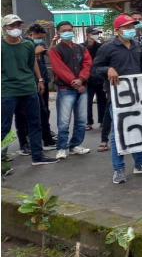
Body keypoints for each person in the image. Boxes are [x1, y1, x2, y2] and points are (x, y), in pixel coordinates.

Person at [91, 14, 142, 184]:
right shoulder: (108, 47)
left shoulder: (136, 46)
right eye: (127, 27)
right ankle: (118, 169)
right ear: (117, 31)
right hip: (118, 98)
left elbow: (140, 66)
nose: (131, 30)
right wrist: (107, 69)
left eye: (132, 27)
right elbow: (94, 69)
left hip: (137, 96)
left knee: (138, 130)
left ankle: (140, 163)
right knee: (118, 134)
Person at [1, 14, 58, 168]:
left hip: (28, 88)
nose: (16, 29)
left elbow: (32, 62)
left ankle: (37, 156)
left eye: (18, 25)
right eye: (12, 26)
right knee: (4, 127)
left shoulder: (27, 44)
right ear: (4, 28)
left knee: (35, 123)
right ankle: (1, 161)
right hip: (8, 91)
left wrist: (39, 80)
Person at [48, 21, 92, 159]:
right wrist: (75, 81)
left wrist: (82, 79)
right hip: (66, 89)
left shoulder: (81, 48)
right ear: (59, 33)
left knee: (81, 120)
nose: (68, 32)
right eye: (64, 30)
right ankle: (61, 147)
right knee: (64, 121)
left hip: (82, 88)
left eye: (70, 29)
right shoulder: (55, 50)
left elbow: (87, 65)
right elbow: (59, 68)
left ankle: (75, 145)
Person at [26, 22, 56, 147]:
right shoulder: (25, 44)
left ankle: (46, 132)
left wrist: (53, 43)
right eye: (38, 37)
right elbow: (26, 61)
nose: (40, 40)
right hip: (32, 81)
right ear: (31, 34)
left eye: (42, 38)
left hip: (43, 78)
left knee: (45, 109)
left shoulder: (41, 43)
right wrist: (34, 51)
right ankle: (35, 136)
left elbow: (50, 54)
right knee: (36, 111)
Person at [81, 26, 106, 130]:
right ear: (88, 34)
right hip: (88, 78)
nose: (96, 35)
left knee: (102, 100)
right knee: (88, 101)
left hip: (99, 77)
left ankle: (102, 120)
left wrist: (104, 44)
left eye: (97, 33)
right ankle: (88, 122)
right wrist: (90, 46)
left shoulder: (100, 46)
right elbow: (84, 59)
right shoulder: (82, 46)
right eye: (94, 33)